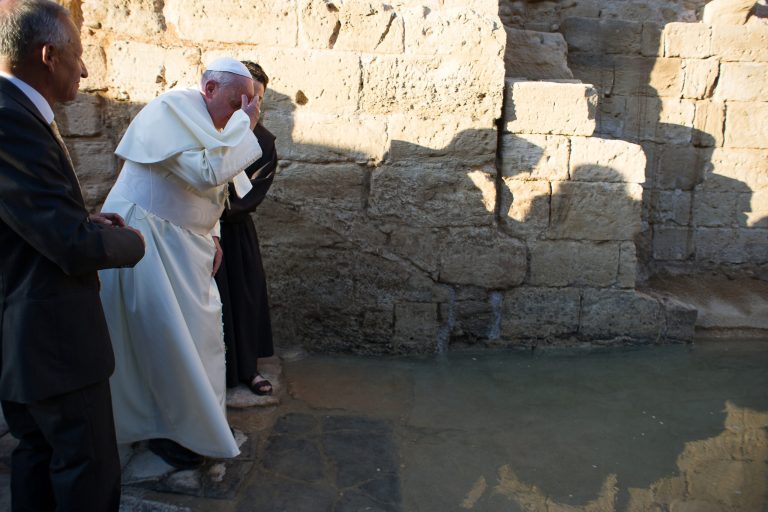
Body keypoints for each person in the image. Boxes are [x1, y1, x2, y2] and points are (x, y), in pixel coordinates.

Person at [0, 0, 146, 510]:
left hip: (31, 345)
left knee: (38, 458)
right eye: (78, 55)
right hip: (51, 344)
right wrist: (135, 242)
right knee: (86, 469)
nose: (84, 68)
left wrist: (85, 220)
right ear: (48, 55)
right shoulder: (10, 121)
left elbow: (28, 219)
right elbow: (69, 247)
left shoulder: (16, 114)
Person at [98, 57, 262, 469]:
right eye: (235, 103)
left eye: (250, 104)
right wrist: (247, 124)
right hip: (147, 242)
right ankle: (165, 431)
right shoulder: (170, 111)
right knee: (163, 342)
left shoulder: (212, 118)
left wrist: (215, 234)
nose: (239, 113)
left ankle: (191, 428)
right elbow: (208, 171)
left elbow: (215, 189)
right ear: (209, 89)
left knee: (198, 340)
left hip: (185, 244)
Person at [215, 61, 277, 396]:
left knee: (243, 297)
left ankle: (248, 369)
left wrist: (214, 210)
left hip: (234, 231)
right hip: (197, 231)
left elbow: (251, 193)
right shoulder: (208, 128)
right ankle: (217, 375)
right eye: (247, 99)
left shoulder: (264, 142)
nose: (252, 107)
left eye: (259, 101)